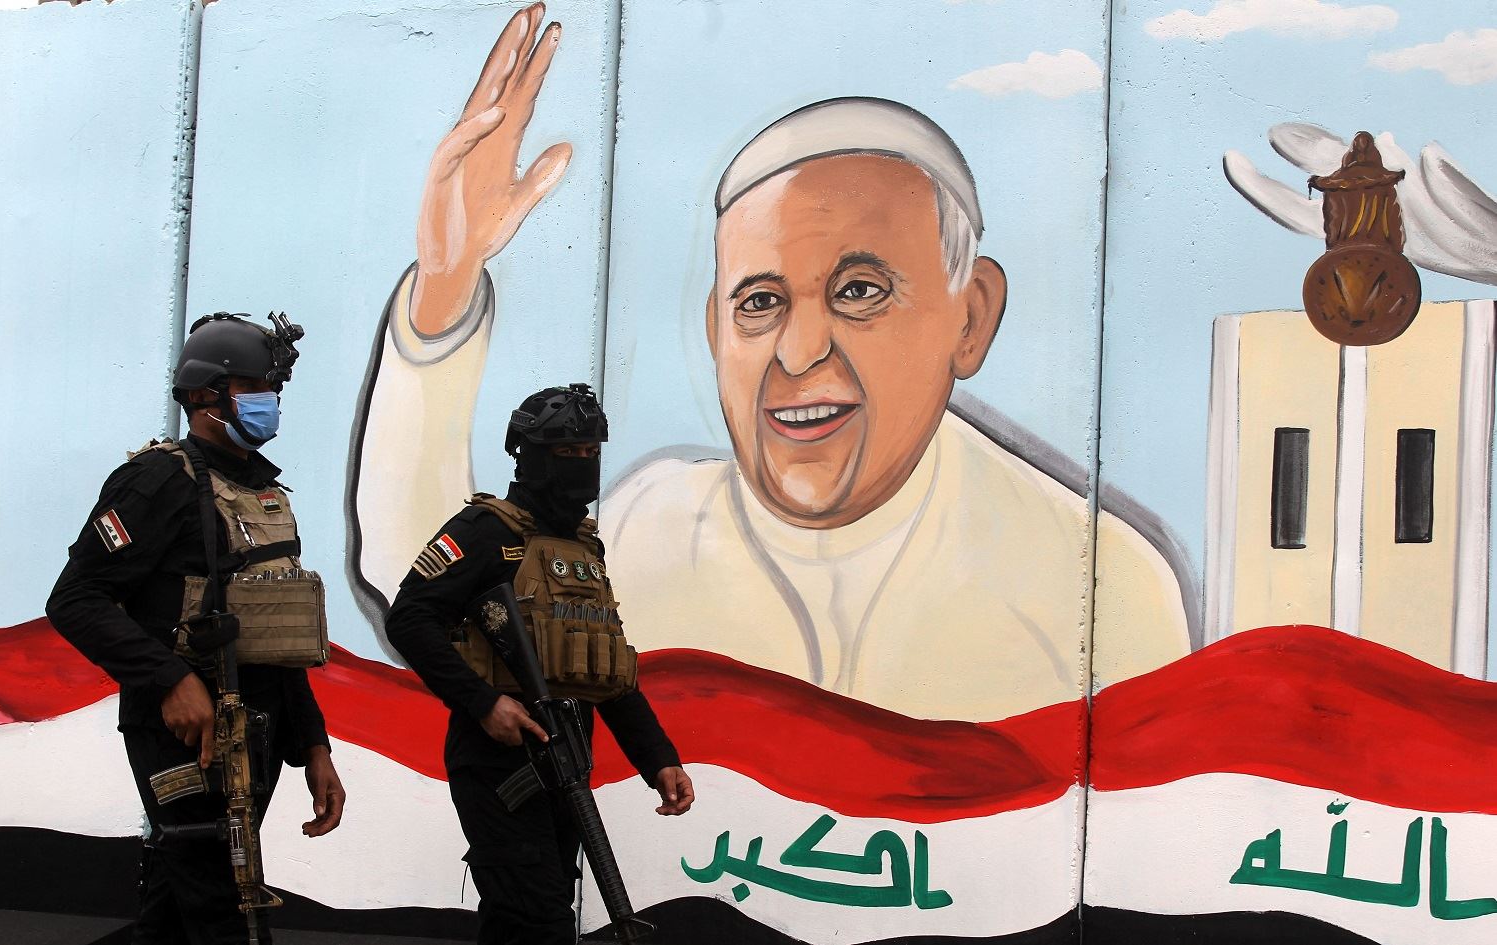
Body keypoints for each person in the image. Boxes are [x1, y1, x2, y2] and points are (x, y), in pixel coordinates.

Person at [348, 4, 1191, 723]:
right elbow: (432, 596)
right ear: (718, 333)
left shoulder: (1102, 585)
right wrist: (445, 288)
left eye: (859, 290)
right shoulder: (647, 533)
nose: (799, 350)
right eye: (760, 302)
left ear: (970, 319)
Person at [46, 312, 345, 945]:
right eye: (253, 388)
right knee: (223, 906)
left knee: (177, 913)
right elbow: (77, 599)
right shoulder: (157, 480)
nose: (269, 404)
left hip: (256, 727)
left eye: (273, 390)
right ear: (205, 397)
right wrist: (169, 678)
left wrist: (313, 745)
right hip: (182, 731)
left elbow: (276, 640)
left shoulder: (265, 493)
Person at [384, 383, 693, 945]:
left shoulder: (583, 549)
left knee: (529, 915)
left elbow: (604, 670)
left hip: (566, 753)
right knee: (535, 915)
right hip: (499, 759)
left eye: (590, 452)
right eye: (565, 453)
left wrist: (658, 759)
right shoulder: (484, 532)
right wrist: (483, 703)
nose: (580, 465)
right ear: (527, 456)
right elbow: (409, 618)